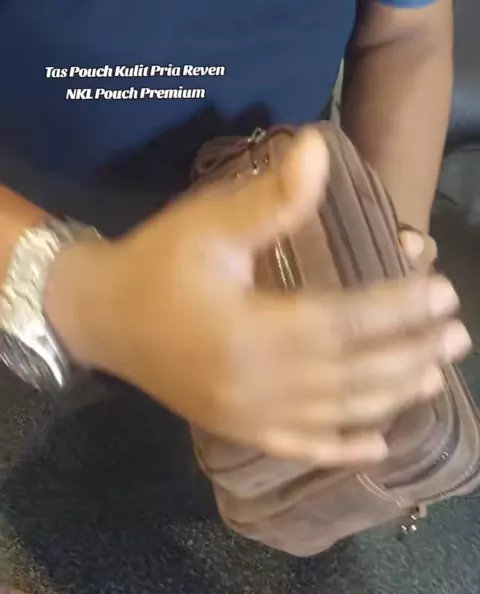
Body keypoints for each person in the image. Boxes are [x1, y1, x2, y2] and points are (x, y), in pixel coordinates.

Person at [0, 0, 468, 466]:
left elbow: (407, 34)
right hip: (21, 262)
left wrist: (380, 247)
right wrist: (86, 296)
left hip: (280, 261)